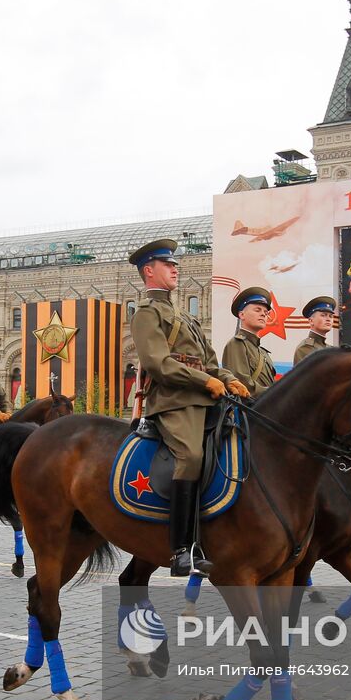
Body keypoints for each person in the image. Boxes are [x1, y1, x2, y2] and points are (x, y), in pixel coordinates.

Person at [128, 238, 243, 576]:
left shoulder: (184, 317)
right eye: (168, 265)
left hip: (204, 397)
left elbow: (209, 361)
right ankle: (181, 549)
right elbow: (159, 364)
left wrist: (229, 378)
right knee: (191, 456)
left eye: (175, 264)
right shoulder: (146, 315)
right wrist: (205, 381)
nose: (176, 269)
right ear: (149, 271)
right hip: (173, 401)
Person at [221, 287, 276, 399]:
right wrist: (276, 393)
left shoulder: (263, 352)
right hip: (249, 413)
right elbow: (242, 386)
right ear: (242, 315)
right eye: (257, 310)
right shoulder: (237, 344)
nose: (263, 314)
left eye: (266, 312)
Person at [293, 297, 337, 366]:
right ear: (311, 321)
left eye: (331, 316)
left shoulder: (330, 349)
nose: (328, 319)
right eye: (323, 315)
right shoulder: (305, 348)